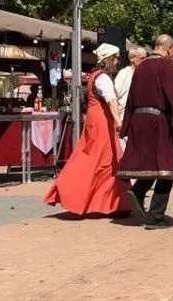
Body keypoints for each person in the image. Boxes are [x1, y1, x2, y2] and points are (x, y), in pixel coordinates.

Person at [118, 35, 173, 229]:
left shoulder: (140, 67)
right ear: (169, 48)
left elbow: (130, 97)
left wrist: (127, 124)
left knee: (151, 164)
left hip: (138, 119)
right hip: (158, 121)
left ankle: (137, 191)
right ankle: (155, 216)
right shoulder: (170, 67)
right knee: (166, 169)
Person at [44, 44, 132, 216]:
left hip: (95, 122)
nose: (118, 61)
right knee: (107, 161)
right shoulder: (103, 78)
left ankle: (114, 203)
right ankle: (113, 203)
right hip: (102, 124)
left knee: (97, 161)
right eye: (116, 58)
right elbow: (111, 101)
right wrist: (118, 120)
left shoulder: (94, 76)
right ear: (110, 59)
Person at [114, 44, 148, 123]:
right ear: (132, 59)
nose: (145, 61)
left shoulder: (144, 75)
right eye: (142, 58)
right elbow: (114, 97)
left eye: (146, 58)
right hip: (124, 118)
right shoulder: (124, 74)